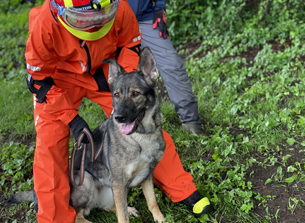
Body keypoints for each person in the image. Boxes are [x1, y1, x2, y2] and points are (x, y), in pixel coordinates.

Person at [25, 0, 211, 222]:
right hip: (58, 79)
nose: (95, 24)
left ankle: (182, 189)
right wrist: (72, 119)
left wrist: (128, 82)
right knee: (49, 143)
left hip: (107, 72)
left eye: (101, 17)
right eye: (87, 20)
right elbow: (39, 79)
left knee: (148, 128)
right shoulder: (44, 22)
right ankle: (54, 217)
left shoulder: (120, 6)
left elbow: (129, 45)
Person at [127, 0, 205, 136]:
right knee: (122, 70)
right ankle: (126, 121)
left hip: (144, 17)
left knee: (172, 64)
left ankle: (190, 120)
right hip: (111, 20)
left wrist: (160, 7)